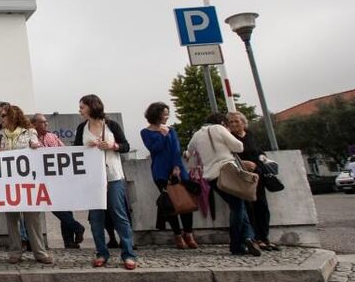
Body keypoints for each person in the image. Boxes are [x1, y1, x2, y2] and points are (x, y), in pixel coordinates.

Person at [73, 94, 137, 270]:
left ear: (92, 107)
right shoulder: (82, 128)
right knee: (95, 218)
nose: (80, 110)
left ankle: (129, 254)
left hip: (113, 175)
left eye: (82, 107)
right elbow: (76, 149)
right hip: (93, 178)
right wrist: (88, 147)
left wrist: (112, 146)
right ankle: (101, 252)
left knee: (119, 213)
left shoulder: (111, 126)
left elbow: (125, 146)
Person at [188, 113, 260, 256]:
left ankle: (248, 238)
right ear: (222, 122)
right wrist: (227, 133)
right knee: (238, 207)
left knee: (238, 205)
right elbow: (239, 147)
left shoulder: (197, 135)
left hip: (211, 177)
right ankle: (236, 244)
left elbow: (190, 151)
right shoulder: (219, 129)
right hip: (227, 171)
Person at [0, 105, 52, 265]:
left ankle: (40, 252)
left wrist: (35, 146)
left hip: (27, 183)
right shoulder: (0, 134)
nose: (0, 118)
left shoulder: (29, 131)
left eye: (3, 116)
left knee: (33, 219)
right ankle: (15, 252)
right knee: (12, 219)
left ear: (13, 116)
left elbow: (36, 146)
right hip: (8, 183)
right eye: (0, 115)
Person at [141, 102, 197, 249]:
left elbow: (176, 148)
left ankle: (188, 233)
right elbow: (154, 149)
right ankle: (177, 234)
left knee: (185, 201)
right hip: (160, 171)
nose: (167, 116)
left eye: (167, 113)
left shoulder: (172, 129)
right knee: (170, 203)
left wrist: (176, 166)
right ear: (156, 114)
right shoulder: (146, 132)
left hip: (177, 169)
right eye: (164, 113)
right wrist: (162, 135)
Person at [225, 112, 279, 251]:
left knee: (262, 207)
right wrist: (242, 162)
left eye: (236, 121)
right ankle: (253, 238)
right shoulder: (229, 138)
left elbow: (258, 151)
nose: (234, 124)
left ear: (243, 122)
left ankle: (264, 237)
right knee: (249, 208)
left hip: (258, 175)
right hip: (243, 177)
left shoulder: (249, 135)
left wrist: (262, 158)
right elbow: (227, 156)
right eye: (231, 122)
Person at [33, 112, 84, 249]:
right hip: (43, 179)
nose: (46, 124)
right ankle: (77, 226)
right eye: (43, 122)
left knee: (66, 208)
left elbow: (64, 152)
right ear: (34, 124)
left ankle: (69, 241)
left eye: (46, 122)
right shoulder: (30, 139)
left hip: (59, 178)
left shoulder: (52, 136)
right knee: (54, 206)